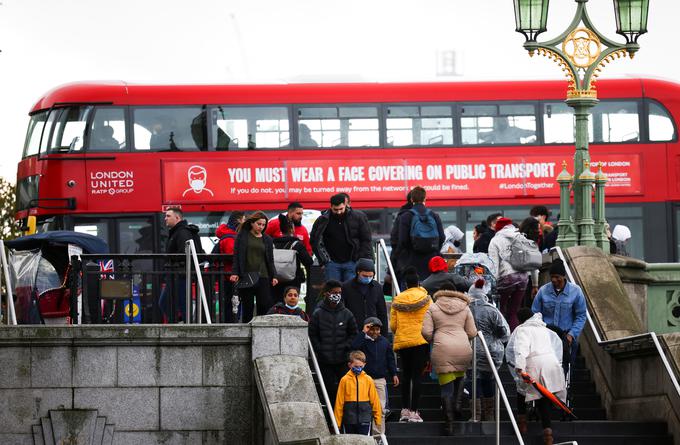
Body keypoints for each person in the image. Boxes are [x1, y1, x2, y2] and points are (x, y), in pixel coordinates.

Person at [421, 282, 477, 435]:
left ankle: (449, 423)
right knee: (460, 375)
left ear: (441, 292)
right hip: (462, 347)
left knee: (446, 388)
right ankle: (457, 406)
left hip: (442, 348)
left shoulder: (432, 307)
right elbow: (472, 332)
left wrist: (436, 337)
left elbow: (426, 332)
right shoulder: (465, 307)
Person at [506, 308, 566, 445]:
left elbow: (521, 350)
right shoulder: (543, 328)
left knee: (521, 390)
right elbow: (556, 345)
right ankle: (548, 435)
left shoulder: (522, 330)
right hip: (551, 364)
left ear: (521, 320)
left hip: (535, 365)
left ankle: (522, 423)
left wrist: (519, 368)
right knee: (544, 399)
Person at [390, 267, 432, 423]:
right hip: (421, 342)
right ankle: (415, 411)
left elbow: (393, 325)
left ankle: (405, 410)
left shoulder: (398, 299)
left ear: (406, 284)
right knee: (417, 376)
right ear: (418, 282)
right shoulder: (426, 298)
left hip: (404, 343)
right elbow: (431, 320)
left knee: (406, 376)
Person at [531, 259, 587, 373]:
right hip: (546, 336)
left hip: (566, 337)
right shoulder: (543, 291)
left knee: (564, 369)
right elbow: (535, 313)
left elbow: (581, 316)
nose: (553, 280)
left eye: (557, 277)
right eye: (552, 276)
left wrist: (572, 334)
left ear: (563, 276)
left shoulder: (576, 291)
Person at [308, 280, 358, 406]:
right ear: (327, 293)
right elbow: (312, 334)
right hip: (325, 361)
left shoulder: (347, 313)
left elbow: (353, 333)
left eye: (339, 292)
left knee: (345, 390)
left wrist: (346, 347)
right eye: (334, 292)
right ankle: (332, 419)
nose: (337, 295)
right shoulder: (318, 313)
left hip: (342, 360)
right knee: (328, 390)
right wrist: (320, 349)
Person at [466, 278, 510, 421]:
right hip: (491, 351)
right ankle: (490, 415)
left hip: (471, 350)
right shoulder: (492, 310)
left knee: (474, 381)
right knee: (488, 380)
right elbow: (504, 331)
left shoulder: (466, 310)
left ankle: (476, 414)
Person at [488, 217, 539, 331]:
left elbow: (494, 265)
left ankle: (503, 339)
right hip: (523, 278)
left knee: (501, 310)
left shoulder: (495, 240)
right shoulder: (522, 237)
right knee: (514, 312)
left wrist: (493, 284)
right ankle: (515, 338)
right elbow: (533, 262)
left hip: (507, 278)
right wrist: (535, 285)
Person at [350, 317, 399, 435]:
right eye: (372, 329)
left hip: (380, 380)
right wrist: (363, 332)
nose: (375, 332)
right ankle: (364, 435)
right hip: (363, 379)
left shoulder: (385, 342)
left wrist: (394, 374)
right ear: (367, 328)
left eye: (378, 329)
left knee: (380, 409)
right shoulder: (362, 340)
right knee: (363, 408)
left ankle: (378, 436)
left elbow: (390, 359)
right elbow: (353, 347)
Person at [310, 193, 373, 282]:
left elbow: (366, 240)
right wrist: (324, 261)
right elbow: (314, 241)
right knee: (333, 292)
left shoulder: (359, 217)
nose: (339, 212)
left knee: (350, 292)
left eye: (341, 209)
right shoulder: (322, 220)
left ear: (345, 205)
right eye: (336, 209)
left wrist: (361, 259)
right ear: (331, 206)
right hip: (331, 263)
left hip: (353, 261)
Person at [230, 211, 278, 323]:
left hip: (264, 276)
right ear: (252, 223)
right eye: (259, 224)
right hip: (247, 275)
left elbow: (270, 260)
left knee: (264, 305)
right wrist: (235, 273)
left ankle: (262, 330)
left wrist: (274, 275)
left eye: (263, 225)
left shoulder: (267, 239)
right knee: (248, 306)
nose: (261, 227)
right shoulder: (242, 236)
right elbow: (237, 256)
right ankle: (246, 332)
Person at [159, 207, 203, 322]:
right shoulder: (177, 232)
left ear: (177, 217)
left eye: (168, 216)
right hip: (177, 274)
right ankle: (180, 322)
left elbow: (186, 253)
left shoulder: (182, 232)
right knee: (172, 303)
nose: (165, 219)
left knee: (179, 304)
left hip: (181, 275)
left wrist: (172, 260)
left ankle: (184, 326)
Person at [395, 186, 445, 281]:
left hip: (411, 264)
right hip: (431, 264)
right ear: (425, 198)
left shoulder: (406, 216)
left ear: (411, 199)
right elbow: (442, 237)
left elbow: (402, 241)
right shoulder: (434, 216)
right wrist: (434, 249)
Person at [334, 350, 382, 435]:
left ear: (364, 365)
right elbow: (339, 402)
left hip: (365, 418)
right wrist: (337, 422)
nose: (358, 368)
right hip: (349, 419)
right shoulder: (344, 380)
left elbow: (375, 400)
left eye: (360, 366)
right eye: (356, 366)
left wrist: (378, 419)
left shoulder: (368, 379)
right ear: (350, 365)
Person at [341, 258, 388, 336]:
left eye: (371, 276)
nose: (368, 278)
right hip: (353, 331)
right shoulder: (346, 287)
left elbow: (382, 312)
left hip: (373, 332)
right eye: (365, 276)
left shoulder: (377, 287)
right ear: (358, 272)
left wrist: (384, 335)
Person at [271, 221, 313, 304]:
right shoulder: (296, 244)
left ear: (281, 230)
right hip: (293, 281)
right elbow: (308, 262)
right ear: (292, 229)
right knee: (291, 304)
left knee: (276, 304)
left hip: (275, 280)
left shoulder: (272, 244)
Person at [215, 211, 245, 321]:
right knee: (232, 304)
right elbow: (233, 257)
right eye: (244, 219)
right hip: (230, 277)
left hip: (230, 276)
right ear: (238, 220)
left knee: (231, 303)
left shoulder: (229, 235)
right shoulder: (230, 237)